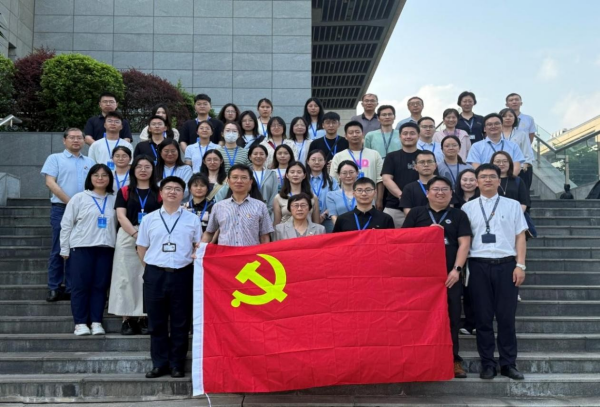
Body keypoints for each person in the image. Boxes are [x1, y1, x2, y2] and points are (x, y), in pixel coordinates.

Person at [461, 164, 528, 381]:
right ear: (477, 181)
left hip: (506, 265)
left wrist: (520, 265)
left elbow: (520, 236)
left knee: (506, 318)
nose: (488, 180)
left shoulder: (513, 205)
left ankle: (508, 363)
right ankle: (488, 363)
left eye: (492, 176)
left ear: (499, 181)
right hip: (478, 265)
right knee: (483, 318)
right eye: (483, 177)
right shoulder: (467, 208)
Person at [402, 176, 472, 378]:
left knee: (452, 318)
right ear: (427, 193)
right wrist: (426, 232)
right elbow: (404, 241)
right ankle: (420, 360)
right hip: (421, 278)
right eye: (435, 189)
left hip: (450, 277)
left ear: (451, 193)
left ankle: (453, 360)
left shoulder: (459, 214)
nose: (440, 193)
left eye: (444, 189)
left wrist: (456, 270)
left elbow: (464, 244)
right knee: (419, 319)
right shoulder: (416, 213)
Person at [136, 176, 201, 379]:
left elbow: (197, 246)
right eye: (168, 188)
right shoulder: (149, 219)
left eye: (177, 189)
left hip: (183, 274)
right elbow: (141, 247)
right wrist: (152, 267)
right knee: (156, 322)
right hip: (155, 274)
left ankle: (176, 364)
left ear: (183, 194)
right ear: (161, 193)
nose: (172, 192)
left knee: (181, 322)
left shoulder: (192, 219)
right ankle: (159, 364)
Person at [60, 164, 117, 336]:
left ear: (110, 179)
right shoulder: (79, 198)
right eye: (96, 175)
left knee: (100, 286)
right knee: (80, 286)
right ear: (90, 178)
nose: (100, 178)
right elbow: (66, 224)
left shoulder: (114, 199)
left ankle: (96, 322)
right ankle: (80, 323)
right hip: (81, 247)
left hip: (106, 248)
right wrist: (64, 248)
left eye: (104, 175)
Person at [109, 156, 162, 335]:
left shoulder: (159, 191)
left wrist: (146, 236)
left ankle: (144, 316)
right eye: (139, 166)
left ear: (153, 170)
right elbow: (121, 216)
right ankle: (127, 319)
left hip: (153, 236)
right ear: (133, 169)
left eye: (147, 167)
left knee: (145, 276)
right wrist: (136, 234)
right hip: (128, 234)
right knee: (125, 276)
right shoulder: (125, 191)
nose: (143, 170)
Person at [41, 128, 95, 302]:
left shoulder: (90, 162)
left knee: (77, 249)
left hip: (84, 211)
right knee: (58, 248)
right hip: (61, 209)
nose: (76, 140)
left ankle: (72, 288)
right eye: (72, 137)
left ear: (84, 141)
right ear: (64, 140)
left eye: (79, 138)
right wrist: (71, 203)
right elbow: (50, 182)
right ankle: (54, 287)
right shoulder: (55, 158)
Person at [203, 164, 274, 246]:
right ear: (228, 181)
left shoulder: (260, 206)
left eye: (244, 177)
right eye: (235, 177)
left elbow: (264, 236)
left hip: (251, 253)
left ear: (250, 181)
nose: (239, 181)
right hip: (225, 252)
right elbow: (209, 232)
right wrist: (200, 248)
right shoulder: (218, 206)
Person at [329, 121, 384, 209]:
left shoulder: (374, 154)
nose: (354, 135)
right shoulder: (338, 156)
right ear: (346, 136)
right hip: (345, 201)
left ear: (363, 134)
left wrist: (379, 200)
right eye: (351, 133)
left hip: (370, 199)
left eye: (357, 132)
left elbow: (380, 180)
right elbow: (334, 181)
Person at [381, 122, 421, 227]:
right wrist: (403, 197)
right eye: (405, 133)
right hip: (394, 208)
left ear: (418, 135)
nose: (408, 136)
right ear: (400, 136)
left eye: (412, 133)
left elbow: (432, 179)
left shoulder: (425, 156)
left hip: (421, 208)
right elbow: (386, 179)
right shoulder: (391, 156)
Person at [400, 150, 457, 215]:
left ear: (435, 165)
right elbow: (407, 211)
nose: (426, 165)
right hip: (418, 221)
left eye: (429, 162)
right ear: (415, 167)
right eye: (422, 162)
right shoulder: (409, 188)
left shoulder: (445, 184)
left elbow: (451, 206)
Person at [273, 161, 320, 226]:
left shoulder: (312, 197)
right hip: (285, 231)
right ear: (287, 175)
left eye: (299, 172)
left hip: (308, 231)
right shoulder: (278, 197)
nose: (295, 175)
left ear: (304, 175)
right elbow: (276, 223)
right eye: (292, 172)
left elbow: (316, 223)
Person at [500, 107, 535, 189]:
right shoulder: (496, 134)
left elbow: (527, 150)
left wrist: (525, 164)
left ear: (515, 119)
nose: (508, 118)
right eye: (504, 116)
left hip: (521, 168)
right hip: (501, 168)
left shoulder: (521, 134)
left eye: (510, 116)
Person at [307, 149, 339, 232]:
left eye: (320, 160)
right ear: (308, 161)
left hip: (328, 219)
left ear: (325, 162)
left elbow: (337, 200)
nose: (317, 162)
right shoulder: (303, 180)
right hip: (307, 219)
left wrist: (324, 214)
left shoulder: (331, 181)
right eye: (313, 159)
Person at [327, 160, 358, 225]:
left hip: (362, 229)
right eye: (344, 173)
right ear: (339, 175)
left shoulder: (365, 193)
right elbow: (333, 217)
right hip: (341, 229)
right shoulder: (331, 195)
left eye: (351, 172)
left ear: (357, 173)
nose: (348, 176)